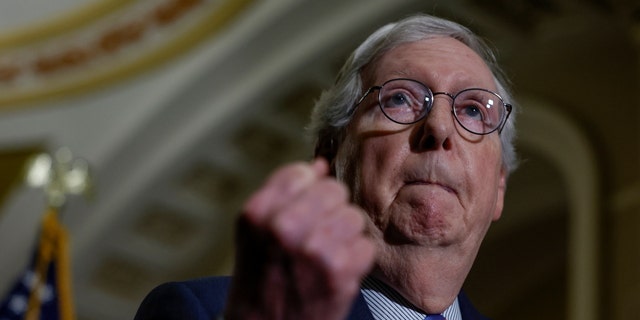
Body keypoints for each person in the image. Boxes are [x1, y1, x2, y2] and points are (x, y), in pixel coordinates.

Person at [134, 12, 517, 320]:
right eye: (400, 99)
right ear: (329, 159)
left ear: (499, 187)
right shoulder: (202, 312)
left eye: (471, 110)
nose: (438, 127)